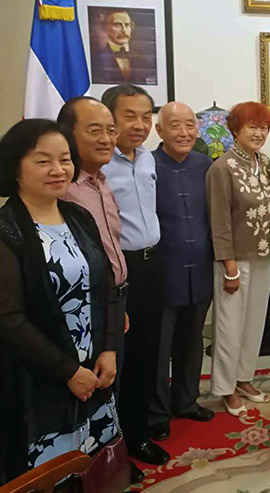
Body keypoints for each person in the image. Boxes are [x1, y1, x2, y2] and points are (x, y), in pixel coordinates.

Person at [0, 119, 120, 484]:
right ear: (14, 167)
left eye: (65, 159)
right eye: (42, 161)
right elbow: (8, 319)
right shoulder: (8, 230)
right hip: (40, 377)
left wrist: (110, 349)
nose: (58, 170)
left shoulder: (78, 216)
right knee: (52, 475)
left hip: (95, 370)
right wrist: (67, 372)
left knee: (96, 465)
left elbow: (108, 287)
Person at [56, 96, 145, 484]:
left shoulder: (101, 182)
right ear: (67, 135)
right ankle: (82, 472)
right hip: (82, 308)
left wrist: (117, 303)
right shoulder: (64, 190)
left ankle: (109, 462)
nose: (108, 138)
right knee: (89, 391)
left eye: (111, 130)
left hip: (114, 297)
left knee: (111, 387)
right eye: (95, 130)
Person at [101, 84, 170, 466]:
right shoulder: (95, 164)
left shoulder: (147, 159)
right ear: (109, 118)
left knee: (147, 353)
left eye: (147, 116)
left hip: (151, 264)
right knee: (116, 360)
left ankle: (138, 435)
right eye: (130, 116)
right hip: (117, 269)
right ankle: (111, 449)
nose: (140, 124)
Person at [149, 102, 215, 439]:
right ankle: (157, 412)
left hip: (199, 271)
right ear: (159, 130)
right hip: (162, 274)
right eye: (175, 125)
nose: (184, 132)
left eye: (190, 125)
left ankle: (187, 401)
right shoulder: (145, 165)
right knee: (159, 349)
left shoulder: (206, 165)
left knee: (192, 342)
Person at [206, 102, 270, 416]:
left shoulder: (265, 162)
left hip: (264, 254)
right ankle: (225, 387)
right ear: (236, 129)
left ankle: (244, 377)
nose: (259, 133)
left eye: (263, 127)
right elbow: (219, 222)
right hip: (234, 261)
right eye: (252, 126)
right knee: (229, 326)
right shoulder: (221, 167)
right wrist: (229, 266)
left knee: (253, 324)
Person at [91, 9, 157, 85]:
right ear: (105, 28)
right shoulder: (96, 59)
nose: (124, 30)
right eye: (117, 25)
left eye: (127, 25)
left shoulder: (143, 59)